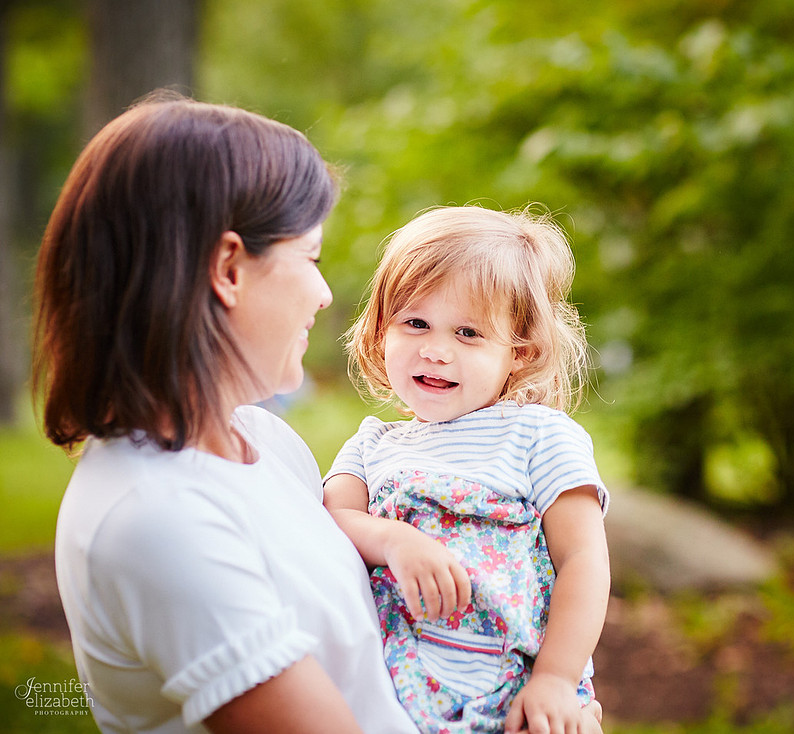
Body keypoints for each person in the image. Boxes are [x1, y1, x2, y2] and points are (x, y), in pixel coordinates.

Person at [33, 94, 605, 734]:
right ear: (228, 269)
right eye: (309, 257)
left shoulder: (262, 439)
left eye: (468, 334)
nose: (327, 292)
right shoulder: (157, 518)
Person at [323, 205, 611, 734]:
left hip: (517, 694)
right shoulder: (372, 445)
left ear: (518, 353)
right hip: (401, 690)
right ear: (381, 329)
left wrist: (554, 678)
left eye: (468, 334)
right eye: (415, 323)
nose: (435, 351)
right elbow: (330, 519)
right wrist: (393, 540)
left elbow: (584, 560)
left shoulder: (538, 436)